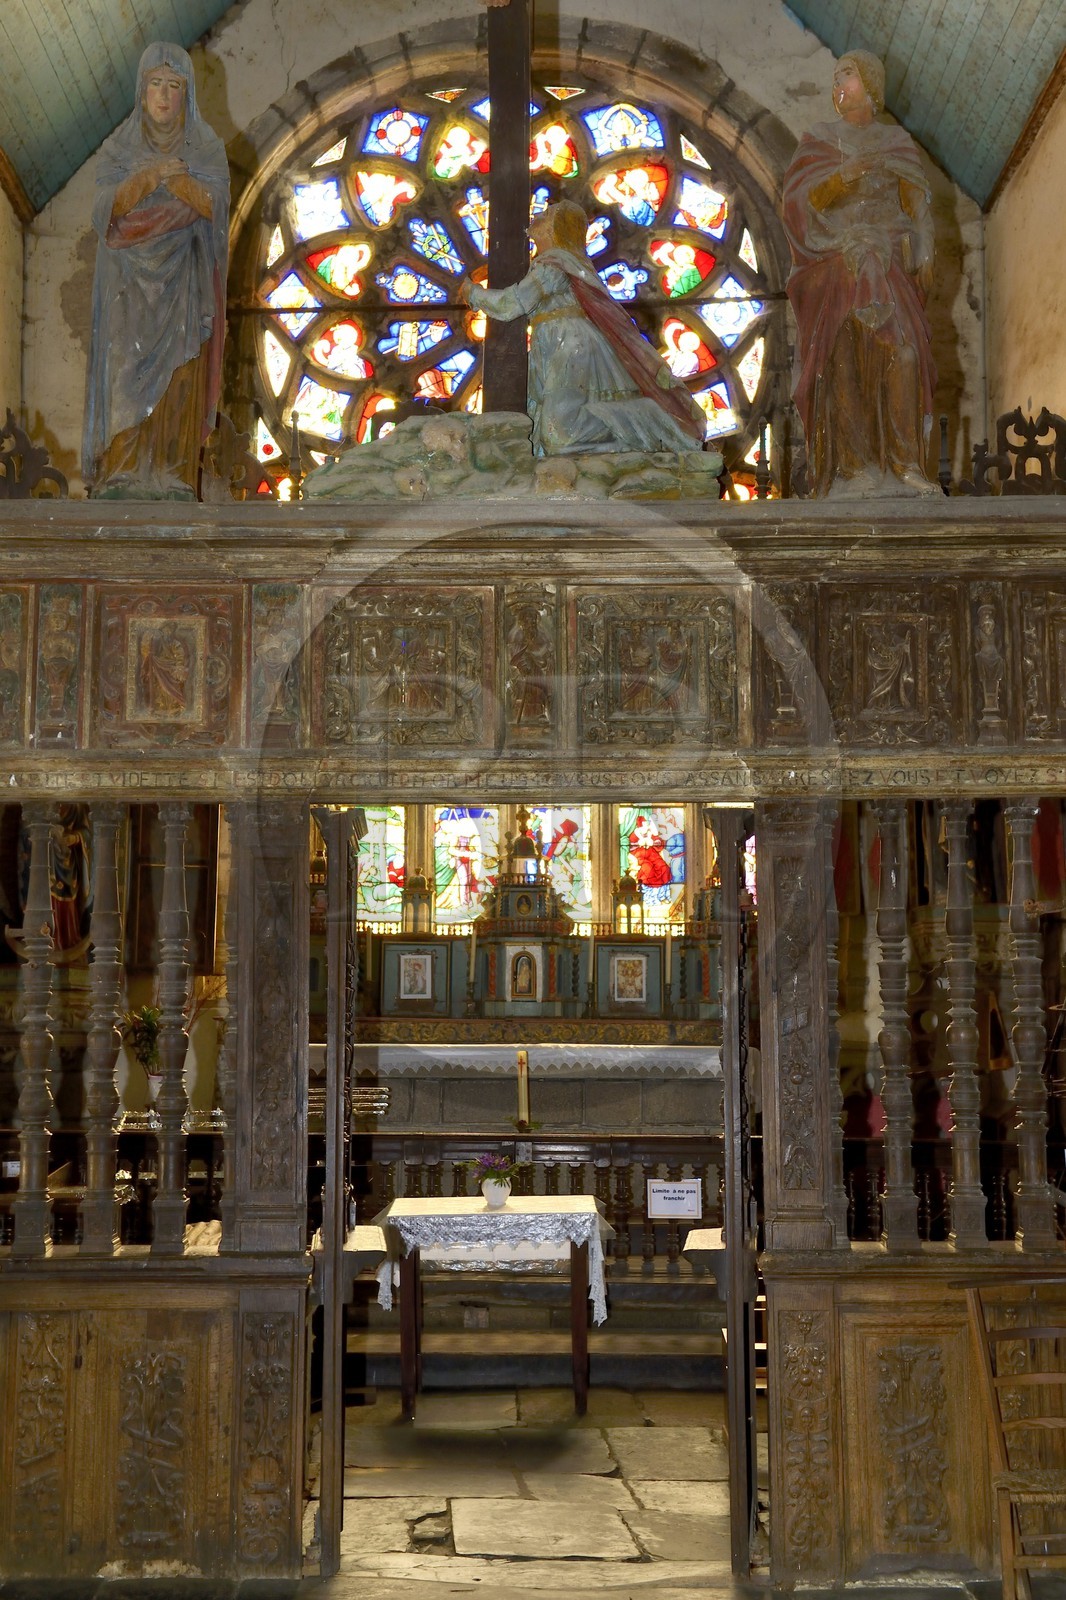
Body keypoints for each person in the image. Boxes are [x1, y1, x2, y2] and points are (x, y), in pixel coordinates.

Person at [783, 51, 938, 498]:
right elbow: (797, 205)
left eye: (846, 76)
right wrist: (840, 178)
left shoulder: (896, 141)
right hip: (833, 264)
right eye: (835, 79)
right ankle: (854, 469)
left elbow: (918, 206)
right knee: (842, 351)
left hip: (887, 262)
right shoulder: (819, 138)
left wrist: (924, 249)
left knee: (904, 354)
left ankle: (906, 465)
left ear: (870, 84)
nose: (838, 86)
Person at [83, 43, 229, 500]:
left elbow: (218, 208)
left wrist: (178, 181)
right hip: (126, 287)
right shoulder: (117, 149)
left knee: (181, 370)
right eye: (155, 85)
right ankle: (123, 472)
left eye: (174, 86)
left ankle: (173, 472)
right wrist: (147, 178)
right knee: (125, 375)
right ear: (141, 92)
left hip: (183, 279)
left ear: (186, 95)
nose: (164, 96)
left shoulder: (205, 149)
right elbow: (103, 212)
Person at [460, 199, 705, 456]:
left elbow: (513, 303)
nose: (537, 216)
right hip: (554, 341)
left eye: (546, 214)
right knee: (552, 436)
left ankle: (650, 419)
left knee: (558, 435)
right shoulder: (555, 262)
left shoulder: (554, 264)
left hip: (570, 344)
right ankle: (626, 448)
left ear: (556, 228)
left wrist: (472, 293)